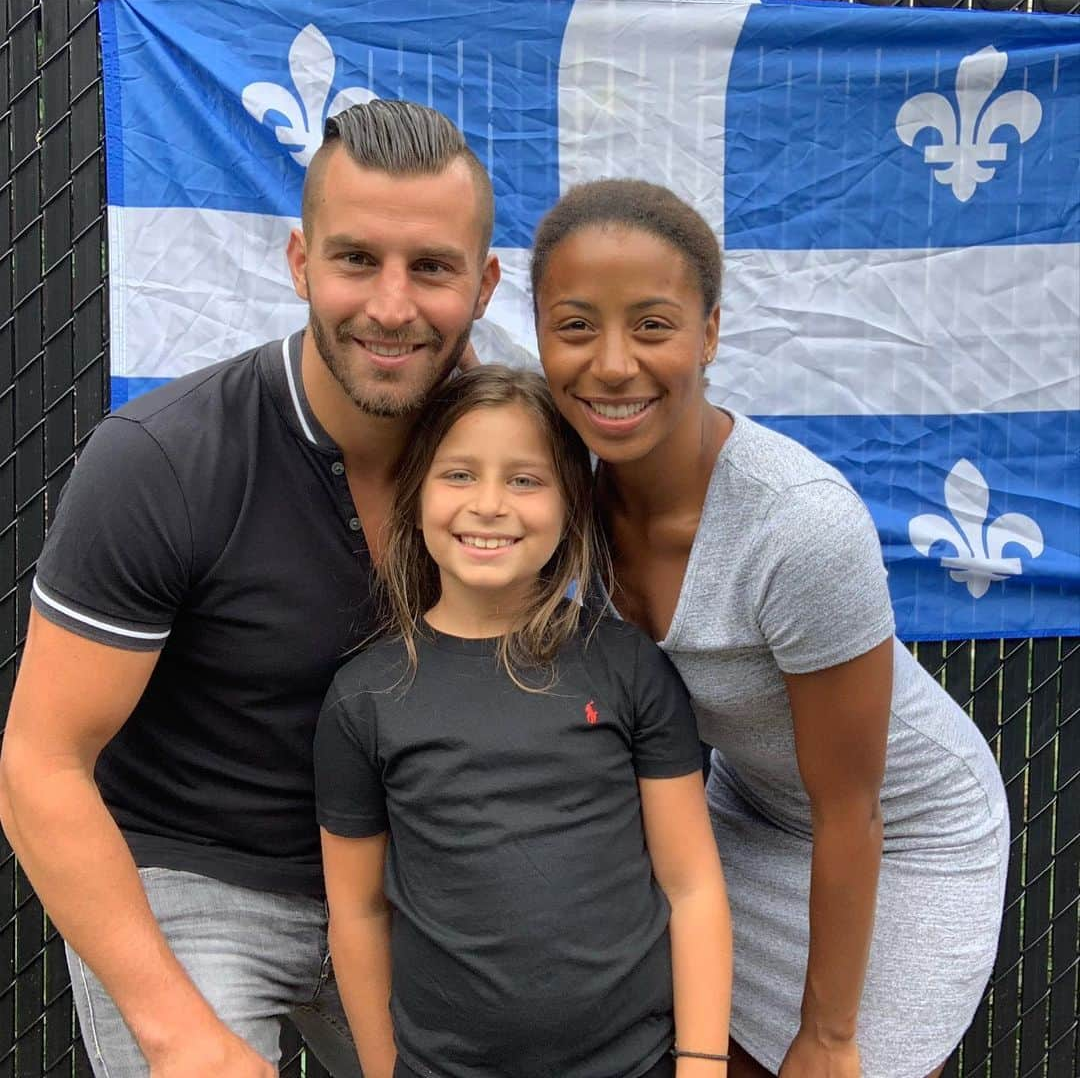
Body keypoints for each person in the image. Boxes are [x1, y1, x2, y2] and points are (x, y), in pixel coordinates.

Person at [0, 99, 500, 1077]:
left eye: (432, 268)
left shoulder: (511, 464)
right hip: (195, 881)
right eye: (358, 260)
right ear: (300, 262)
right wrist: (177, 1033)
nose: (393, 306)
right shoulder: (164, 461)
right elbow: (39, 766)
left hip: (414, 885)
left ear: (483, 284)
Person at [531, 179, 1009, 1078]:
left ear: (709, 333)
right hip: (750, 808)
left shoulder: (798, 523)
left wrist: (827, 1035)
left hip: (903, 832)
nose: (613, 363)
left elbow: (852, 806)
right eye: (576, 325)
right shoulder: (554, 496)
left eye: (653, 324)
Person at [314, 365, 733, 1078]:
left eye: (525, 480)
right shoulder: (366, 698)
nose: (489, 505)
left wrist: (701, 1065)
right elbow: (357, 914)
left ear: (572, 502)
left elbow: (692, 886)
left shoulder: (629, 668)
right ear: (414, 495)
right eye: (459, 475)